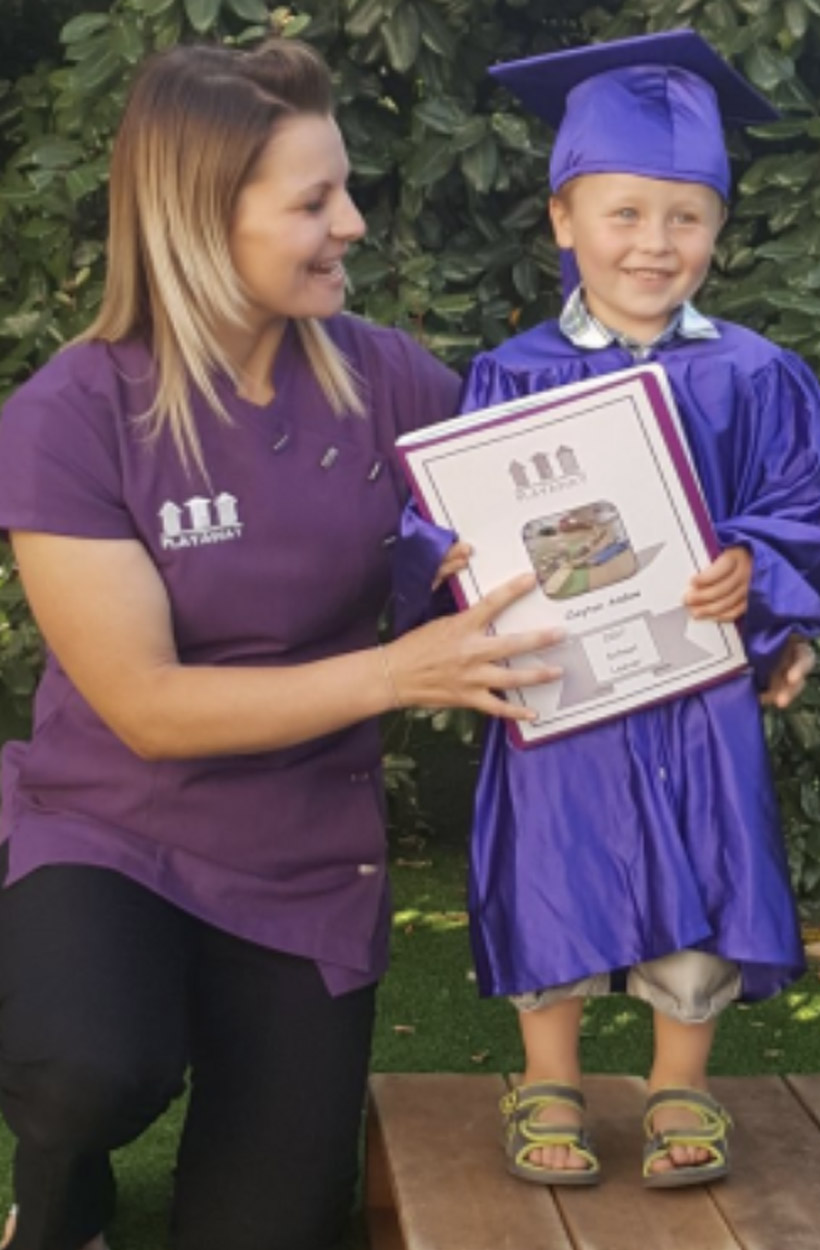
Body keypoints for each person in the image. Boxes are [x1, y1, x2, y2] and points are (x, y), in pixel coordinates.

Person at [0, 39, 567, 1250]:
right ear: (203, 218)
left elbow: (557, 510)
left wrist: (736, 616)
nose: (352, 223)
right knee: (85, 1066)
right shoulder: (71, 413)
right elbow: (147, 705)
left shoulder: (391, 382)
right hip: (115, 827)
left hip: (306, 863)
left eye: (344, 188)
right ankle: (61, 1191)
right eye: (314, 201)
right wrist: (397, 672)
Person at [398, 29, 820, 1189]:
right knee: (552, 858)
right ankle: (547, 1074)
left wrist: (755, 571)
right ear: (563, 221)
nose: (657, 243)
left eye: (687, 216)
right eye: (625, 213)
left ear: (718, 226)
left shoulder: (757, 374)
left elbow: (808, 511)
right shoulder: (511, 372)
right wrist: (446, 557)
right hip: (562, 681)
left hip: (693, 685)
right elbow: (444, 515)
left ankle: (679, 1084)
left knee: (700, 868)